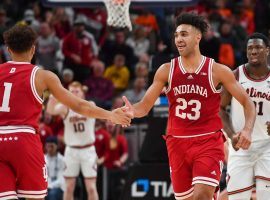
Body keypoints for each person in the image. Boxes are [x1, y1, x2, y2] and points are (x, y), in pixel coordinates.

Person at [122, 12, 256, 200]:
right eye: (176, 35)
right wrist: (131, 111)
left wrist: (248, 129)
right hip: (177, 143)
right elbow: (144, 106)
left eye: (184, 34)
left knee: (201, 196)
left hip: (208, 141)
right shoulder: (166, 70)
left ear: (197, 37)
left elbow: (247, 102)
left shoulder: (217, 70)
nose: (179, 39)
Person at [0, 24, 131, 200]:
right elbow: (79, 106)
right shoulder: (43, 76)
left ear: (8, 49)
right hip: (24, 139)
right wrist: (110, 114)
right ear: (33, 49)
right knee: (35, 197)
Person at [220, 32, 270, 200]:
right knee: (237, 198)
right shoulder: (235, 75)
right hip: (240, 146)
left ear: (267, 51)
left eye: (258, 47)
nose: (253, 51)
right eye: (250, 48)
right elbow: (219, 109)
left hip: (268, 146)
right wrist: (231, 134)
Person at [46, 81, 100, 200]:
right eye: (72, 92)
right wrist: (52, 98)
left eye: (77, 91)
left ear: (82, 93)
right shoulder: (65, 107)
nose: (74, 93)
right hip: (71, 151)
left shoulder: (90, 104)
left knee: (91, 187)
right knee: (69, 187)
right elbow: (50, 111)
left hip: (88, 150)